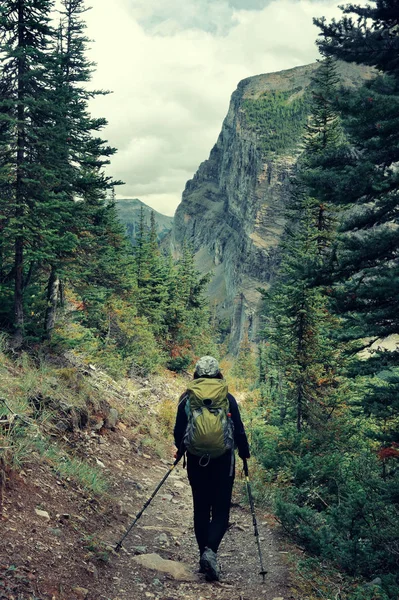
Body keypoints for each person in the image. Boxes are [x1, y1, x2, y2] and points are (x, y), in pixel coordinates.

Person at [173, 355, 250, 581]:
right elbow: (239, 430)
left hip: (197, 461)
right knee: (220, 510)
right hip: (223, 461)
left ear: (196, 374)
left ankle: (202, 556)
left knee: (200, 509)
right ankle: (211, 552)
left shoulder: (187, 399)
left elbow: (179, 432)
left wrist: (181, 450)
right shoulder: (227, 398)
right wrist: (244, 453)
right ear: (218, 374)